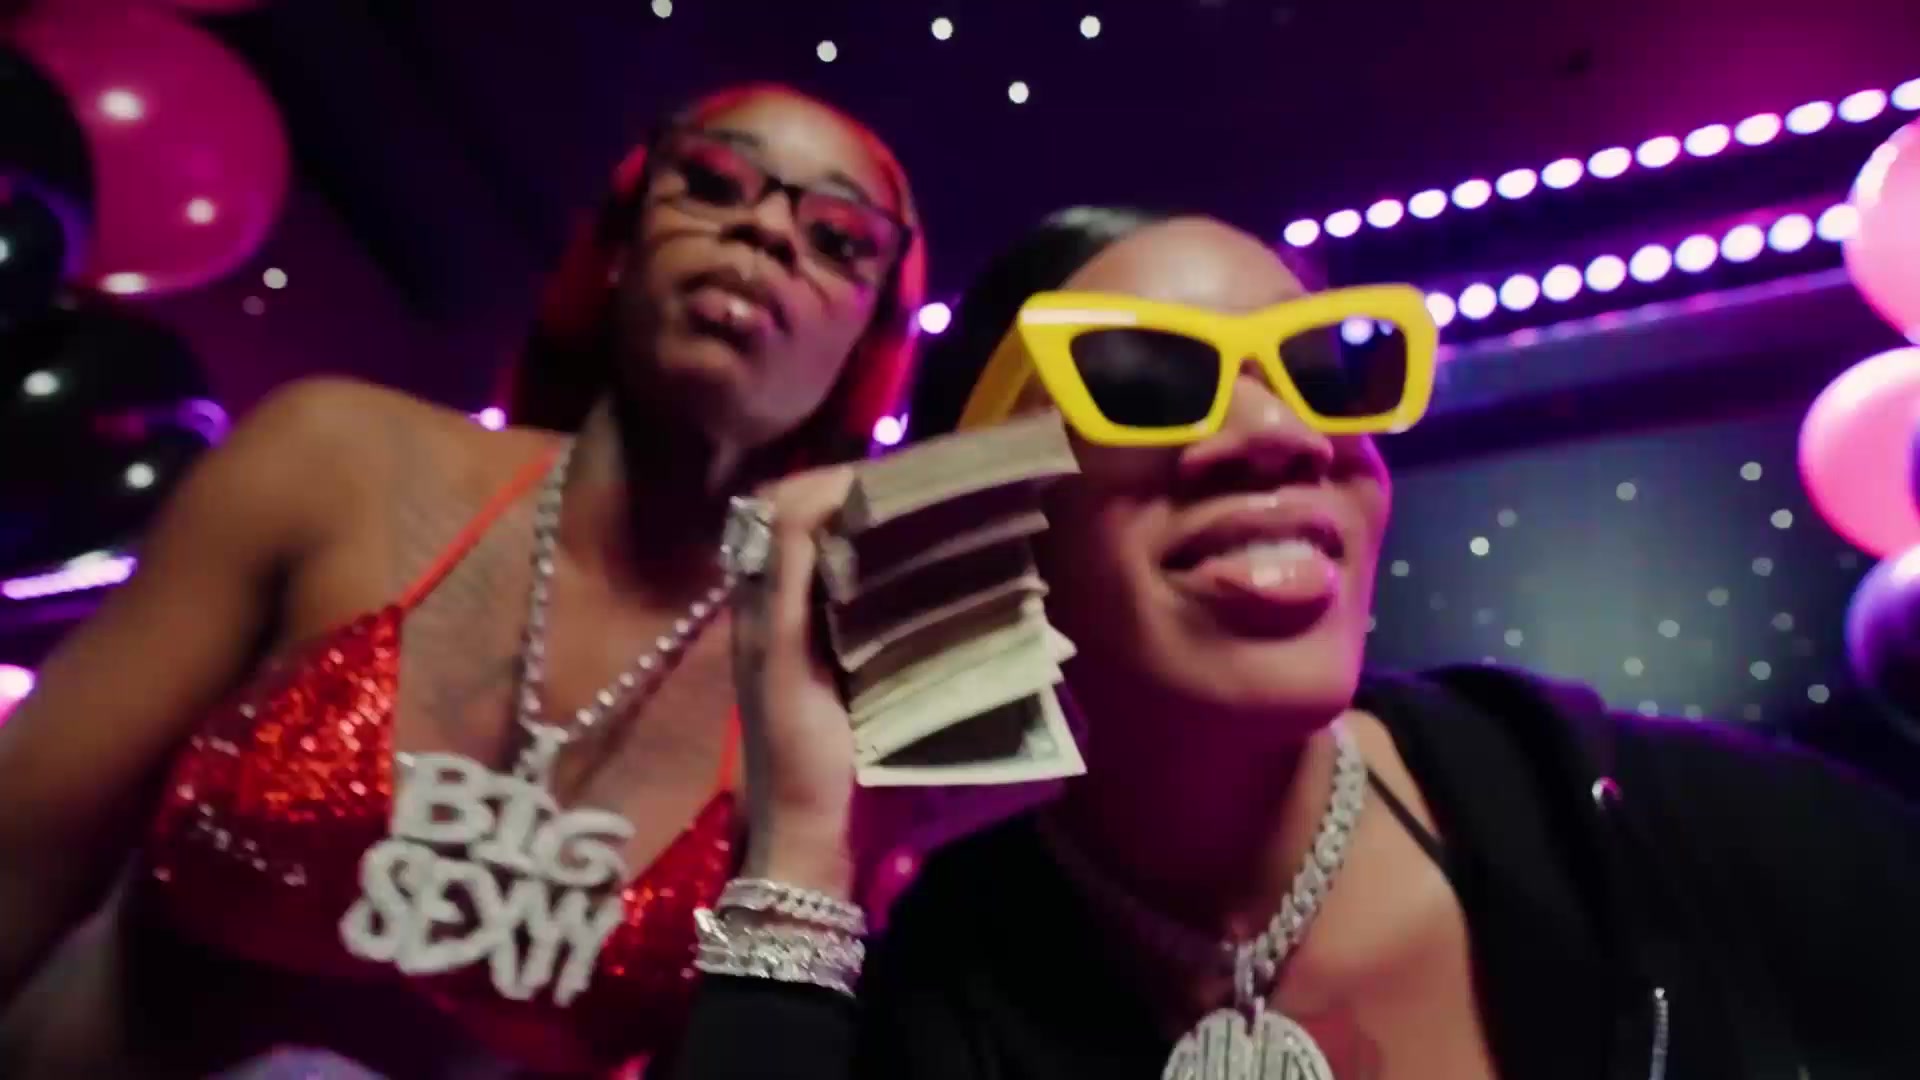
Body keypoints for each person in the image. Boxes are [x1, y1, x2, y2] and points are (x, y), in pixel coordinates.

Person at [674, 207, 1920, 1079]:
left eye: (1323, 372)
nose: (1282, 434)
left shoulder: (1644, 828)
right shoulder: (935, 995)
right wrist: (803, 857)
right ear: (972, 515)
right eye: (1146, 382)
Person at [0, 82, 925, 1078]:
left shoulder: (819, 709)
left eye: (839, 241)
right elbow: (23, 856)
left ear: (863, 351)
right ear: (620, 245)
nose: (767, 231)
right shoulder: (334, 462)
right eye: (712, 182)